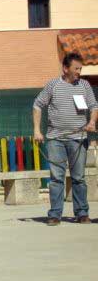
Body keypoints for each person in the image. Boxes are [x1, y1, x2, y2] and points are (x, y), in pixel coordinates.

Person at [33, 52, 98, 226]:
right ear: (65, 68)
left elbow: (93, 106)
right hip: (55, 139)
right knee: (56, 178)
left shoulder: (84, 85)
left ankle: (82, 214)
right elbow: (38, 105)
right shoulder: (53, 85)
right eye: (76, 69)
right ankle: (55, 215)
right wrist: (37, 130)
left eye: (80, 69)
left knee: (79, 178)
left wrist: (91, 121)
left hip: (78, 138)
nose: (79, 72)